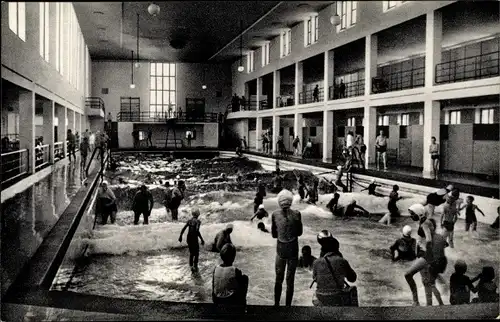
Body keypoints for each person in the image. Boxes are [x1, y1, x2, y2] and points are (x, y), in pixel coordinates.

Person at [405, 204, 448, 306]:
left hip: (426, 255)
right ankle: (429, 305)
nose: (411, 216)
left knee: (408, 275)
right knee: (426, 282)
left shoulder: (424, 223)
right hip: (425, 254)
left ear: (419, 213)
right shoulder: (425, 222)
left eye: (412, 214)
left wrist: (429, 255)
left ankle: (415, 301)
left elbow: (428, 239)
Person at [271, 189, 303, 307]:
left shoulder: (275, 214)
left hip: (281, 248)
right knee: (290, 280)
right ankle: (288, 306)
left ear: (279, 202)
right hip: (293, 248)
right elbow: (299, 233)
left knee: (278, 279)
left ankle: (276, 304)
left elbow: (274, 235)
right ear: (290, 201)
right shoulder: (297, 214)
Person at [312, 230, 357, 307]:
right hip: (336, 296)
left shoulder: (316, 262)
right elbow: (352, 278)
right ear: (336, 248)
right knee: (353, 290)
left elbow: (315, 279)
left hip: (320, 296)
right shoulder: (342, 261)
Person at [212, 243, 249, 308]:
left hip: (216, 299)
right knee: (245, 278)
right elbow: (240, 287)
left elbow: (213, 285)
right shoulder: (236, 270)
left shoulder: (216, 268)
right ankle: (243, 305)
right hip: (230, 301)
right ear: (234, 257)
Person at [179, 208, 205, 272]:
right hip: (194, 238)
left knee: (191, 253)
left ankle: (191, 266)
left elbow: (183, 228)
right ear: (198, 214)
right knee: (196, 253)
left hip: (189, 238)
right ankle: (195, 265)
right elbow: (197, 231)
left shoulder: (189, 221)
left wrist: (180, 236)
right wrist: (201, 239)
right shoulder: (198, 222)